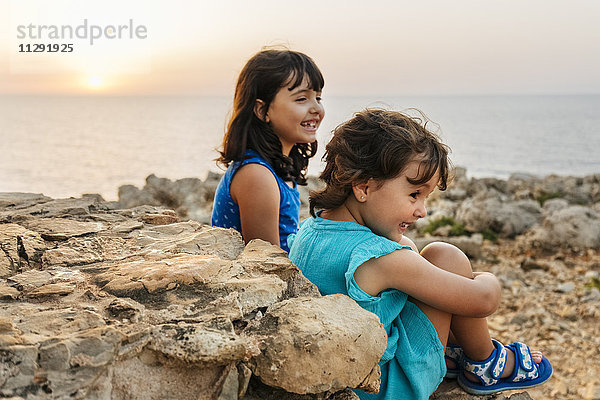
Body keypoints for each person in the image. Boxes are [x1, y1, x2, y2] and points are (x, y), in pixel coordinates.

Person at [288, 109, 552, 399]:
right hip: (389, 388)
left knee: (420, 256)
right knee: (446, 256)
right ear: (363, 187)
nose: (422, 211)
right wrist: (483, 278)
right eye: (414, 194)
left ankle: (453, 354)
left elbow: (406, 260)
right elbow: (484, 300)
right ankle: (485, 362)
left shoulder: (311, 228)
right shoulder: (380, 258)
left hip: (343, 378)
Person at [211, 48, 324, 252]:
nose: (317, 108)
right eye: (301, 99)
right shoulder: (256, 175)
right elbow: (266, 264)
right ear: (262, 110)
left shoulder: (276, 169)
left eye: (318, 98)